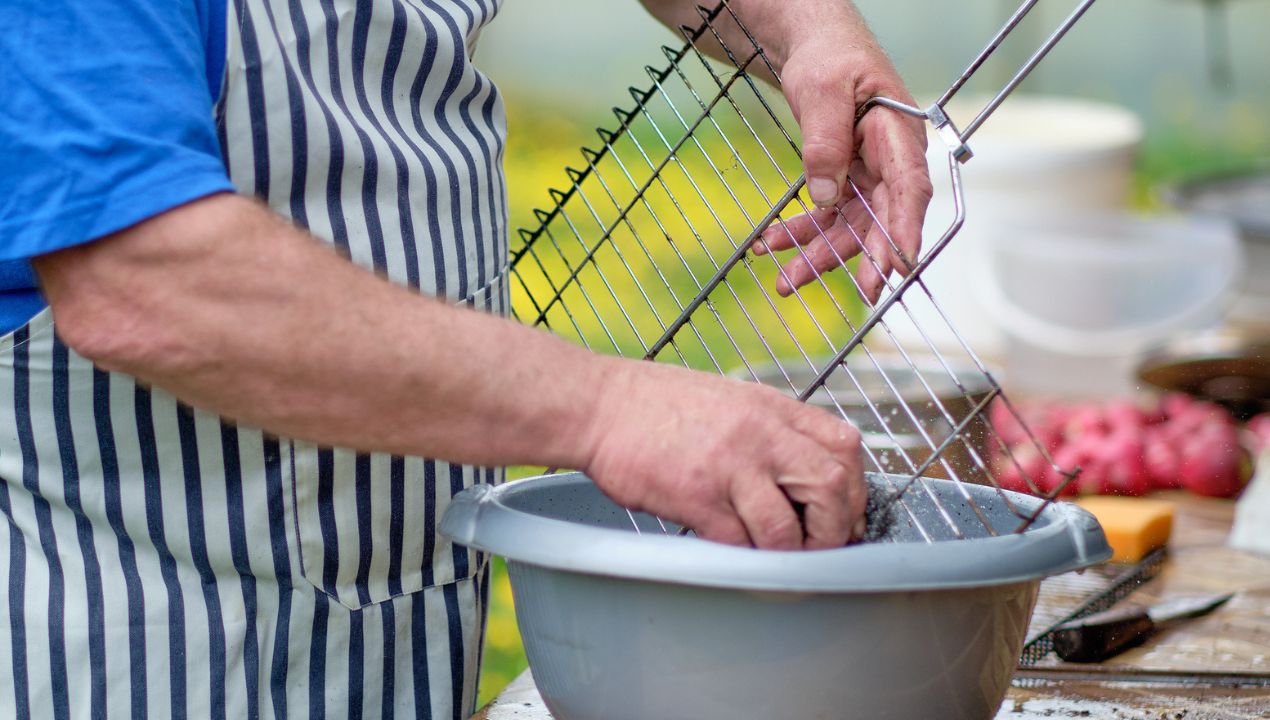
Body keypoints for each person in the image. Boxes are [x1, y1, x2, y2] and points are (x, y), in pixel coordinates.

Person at [0, 0, 931, 716]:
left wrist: (807, 29)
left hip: (403, 613)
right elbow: (142, 275)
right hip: (147, 644)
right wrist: (606, 408)